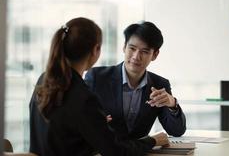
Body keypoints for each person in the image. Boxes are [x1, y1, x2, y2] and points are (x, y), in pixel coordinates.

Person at [29, 17, 169, 156]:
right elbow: (117, 152)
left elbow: (62, 135)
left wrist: (94, 125)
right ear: (96, 50)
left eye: (144, 51)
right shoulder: (83, 97)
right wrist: (152, 140)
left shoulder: (44, 79)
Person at [85, 21, 186, 139]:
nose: (136, 57)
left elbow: (177, 131)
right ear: (124, 47)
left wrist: (172, 104)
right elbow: (79, 121)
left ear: (155, 55)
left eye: (145, 51)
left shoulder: (159, 84)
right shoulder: (97, 78)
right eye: (132, 48)